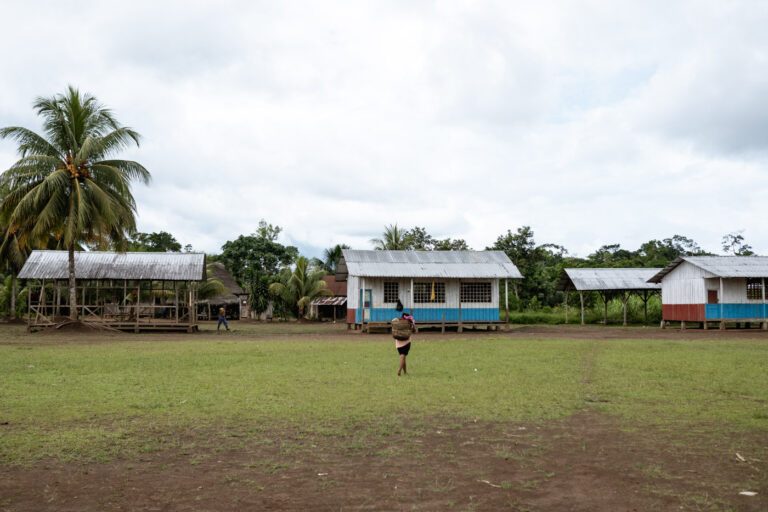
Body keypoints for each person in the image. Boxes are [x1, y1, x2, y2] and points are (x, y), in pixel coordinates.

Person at [394, 312, 414, 376]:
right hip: (406, 342)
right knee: (403, 357)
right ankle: (399, 371)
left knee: (403, 357)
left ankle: (405, 372)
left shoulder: (398, 322)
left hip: (398, 343)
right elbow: (414, 330)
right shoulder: (409, 323)